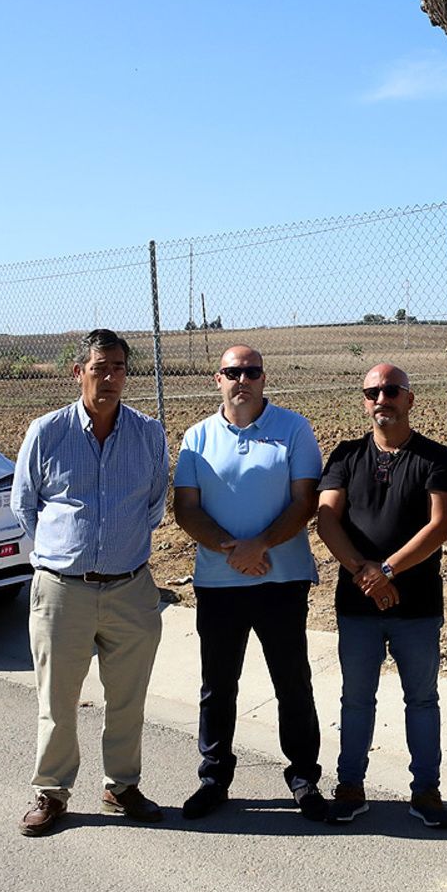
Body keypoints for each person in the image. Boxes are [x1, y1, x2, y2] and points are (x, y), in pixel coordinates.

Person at [12, 329, 169, 836]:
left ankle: (120, 787)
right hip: (63, 589)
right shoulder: (47, 432)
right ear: (78, 372)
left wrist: (117, 550)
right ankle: (52, 791)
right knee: (58, 699)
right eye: (100, 367)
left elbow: (153, 505)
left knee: (128, 697)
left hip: (131, 588)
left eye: (119, 367)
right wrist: (66, 555)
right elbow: (25, 506)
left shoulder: (149, 433)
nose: (110, 377)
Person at [172, 345, 327, 821]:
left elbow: (305, 501)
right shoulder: (196, 438)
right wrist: (233, 551)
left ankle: (304, 779)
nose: (243, 379)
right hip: (219, 584)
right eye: (233, 372)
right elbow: (186, 509)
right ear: (217, 379)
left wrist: (259, 545)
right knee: (218, 685)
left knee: (292, 682)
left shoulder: (293, 429)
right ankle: (214, 778)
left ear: (264, 379)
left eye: (252, 372)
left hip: (282, 580)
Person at [315, 364, 447, 829]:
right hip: (357, 603)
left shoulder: (435, 458)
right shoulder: (345, 455)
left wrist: (388, 570)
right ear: (364, 401)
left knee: (422, 700)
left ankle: (426, 791)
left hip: (416, 605)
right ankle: (350, 786)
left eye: (392, 390)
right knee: (356, 699)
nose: (383, 398)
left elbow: (440, 526)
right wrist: (364, 571)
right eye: (373, 392)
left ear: (409, 399)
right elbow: (326, 520)